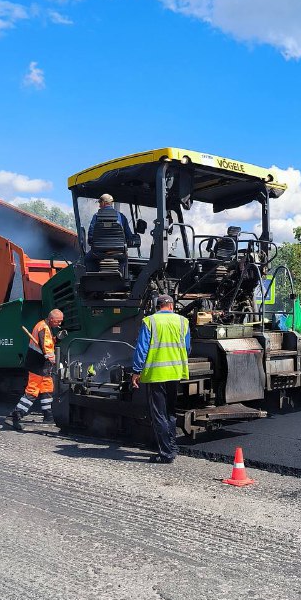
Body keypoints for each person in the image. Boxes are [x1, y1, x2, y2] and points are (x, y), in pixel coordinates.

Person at [131, 294, 190, 463]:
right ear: (171, 306)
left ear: (158, 306)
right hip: (176, 371)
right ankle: (172, 446)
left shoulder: (150, 321)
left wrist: (136, 371)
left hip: (156, 373)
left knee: (159, 414)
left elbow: (141, 348)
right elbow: (187, 347)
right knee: (171, 411)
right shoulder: (182, 321)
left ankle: (166, 453)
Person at [8, 309, 64, 431]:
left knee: (47, 389)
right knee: (32, 391)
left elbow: (46, 344)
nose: (59, 324)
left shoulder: (44, 326)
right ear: (51, 319)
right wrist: (55, 361)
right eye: (58, 321)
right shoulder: (43, 328)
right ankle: (16, 414)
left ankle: (48, 416)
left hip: (42, 366)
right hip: (37, 365)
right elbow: (46, 348)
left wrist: (57, 339)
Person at [85, 193, 134, 270]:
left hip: (98, 253)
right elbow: (129, 236)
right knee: (124, 260)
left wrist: (94, 244)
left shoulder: (96, 216)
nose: (99, 206)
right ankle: (121, 277)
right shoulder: (121, 217)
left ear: (104, 203)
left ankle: (93, 278)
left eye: (100, 203)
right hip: (118, 253)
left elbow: (91, 234)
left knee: (87, 260)